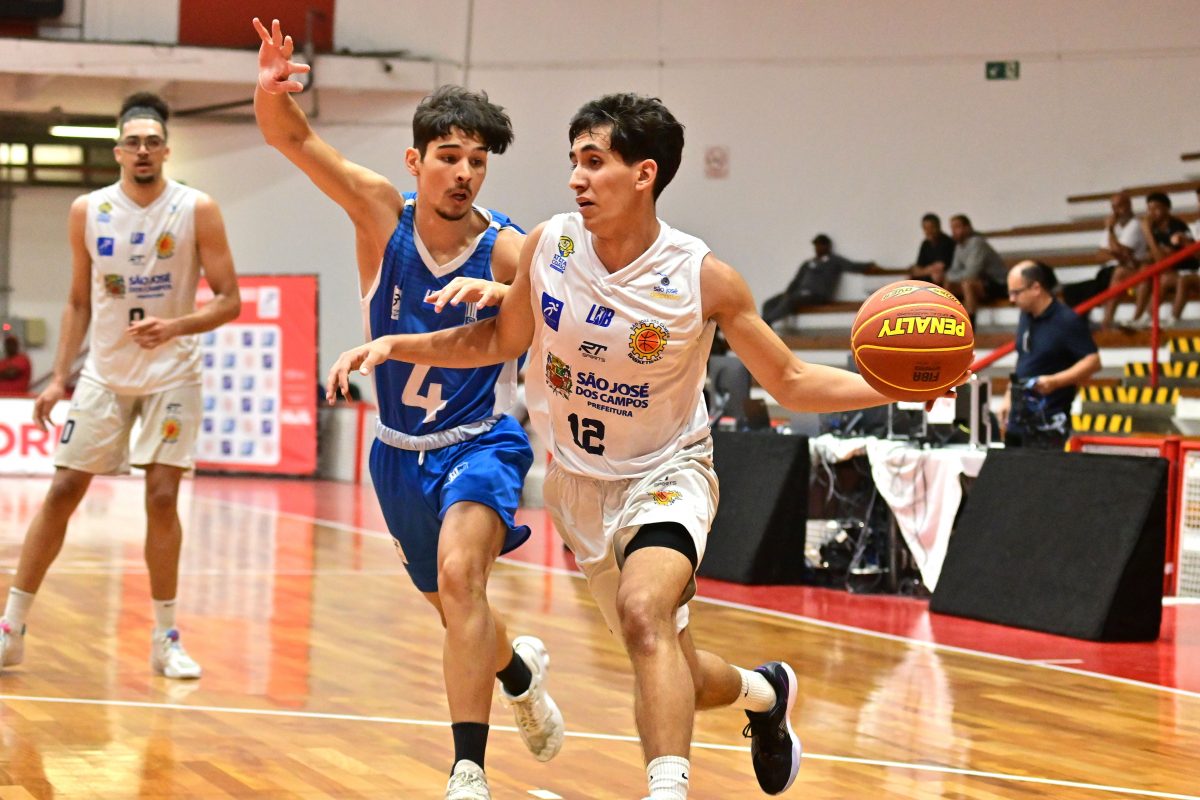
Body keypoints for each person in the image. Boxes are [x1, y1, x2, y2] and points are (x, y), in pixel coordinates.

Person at [326, 92, 903, 800]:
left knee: (643, 610)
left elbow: (790, 380)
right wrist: (396, 343)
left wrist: (889, 386)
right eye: (574, 160)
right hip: (579, 484)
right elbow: (498, 340)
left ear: (644, 174)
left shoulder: (701, 277)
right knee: (668, 661)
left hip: (668, 472)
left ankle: (666, 790)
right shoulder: (550, 245)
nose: (576, 177)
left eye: (594, 162)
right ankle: (764, 693)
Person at [251, 18, 563, 799]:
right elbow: (292, 139)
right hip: (396, 453)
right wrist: (271, 90)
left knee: (461, 578)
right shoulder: (379, 215)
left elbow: (572, 297)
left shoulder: (508, 248)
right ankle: (518, 674)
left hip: (482, 441)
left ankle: (468, 770)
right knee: (456, 607)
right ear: (415, 161)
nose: (464, 173)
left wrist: (509, 292)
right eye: (449, 156)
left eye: (477, 161)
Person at [0, 92, 242, 679]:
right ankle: (11, 628)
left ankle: (166, 638)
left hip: (173, 373)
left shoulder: (196, 208)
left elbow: (229, 300)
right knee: (63, 490)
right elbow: (77, 301)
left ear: (166, 150)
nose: (142, 151)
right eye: (132, 142)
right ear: (118, 151)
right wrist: (59, 378)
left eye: (152, 142)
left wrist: (176, 326)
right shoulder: (88, 210)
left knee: (161, 497)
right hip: (105, 374)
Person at [998, 261, 1100, 449]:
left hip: (1048, 419)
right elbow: (1023, 358)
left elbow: (1093, 361)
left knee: (1042, 466)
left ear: (1036, 288)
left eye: (1016, 292)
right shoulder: (1026, 316)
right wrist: (1008, 394)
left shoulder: (1066, 320)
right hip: (1019, 417)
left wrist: (1055, 381)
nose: (1012, 299)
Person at [760, 234, 873, 326]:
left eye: (821, 245)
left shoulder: (834, 261)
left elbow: (852, 266)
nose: (818, 248)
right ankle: (764, 327)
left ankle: (767, 322)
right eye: (816, 245)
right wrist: (788, 292)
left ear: (827, 246)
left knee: (790, 301)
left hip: (818, 295)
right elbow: (796, 280)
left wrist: (869, 265)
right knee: (769, 303)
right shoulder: (808, 263)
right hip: (800, 293)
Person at [1125, 191, 1198, 328]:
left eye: (1156, 208)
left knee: (1163, 278)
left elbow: (1162, 261)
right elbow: (1154, 255)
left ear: (1167, 208)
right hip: (1170, 271)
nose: (1152, 213)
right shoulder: (1154, 228)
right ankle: (1139, 318)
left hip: (1187, 270)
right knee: (1146, 271)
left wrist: (1147, 233)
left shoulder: (1176, 226)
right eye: (1149, 209)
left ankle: (1170, 319)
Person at [1098, 192, 1148, 330]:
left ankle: (1109, 321)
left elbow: (1123, 253)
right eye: (1113, 207)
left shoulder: (1135, 225)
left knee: (1119, 273)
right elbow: (1099, 255)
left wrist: (1110, 230)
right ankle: (1104, 323)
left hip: (1131, 269)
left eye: (1119, 206)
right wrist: (1115, 252)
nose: (1116, 211)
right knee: (1072, 291)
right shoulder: (1114, 226)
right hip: (1109, 270)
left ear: (1129, 205)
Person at [945, 214, 1008, 324]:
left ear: (967, 228)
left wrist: (955, 276)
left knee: (967, 284)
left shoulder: (977, 243)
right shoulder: (959, 247)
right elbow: (952, 272)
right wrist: (951, 277)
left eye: (957, 227)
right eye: (952, 228)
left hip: (998, 283)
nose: (954, 231)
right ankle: (948, 320)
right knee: (948, 285)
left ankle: (969, 325)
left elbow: (972, 273)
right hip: (981, 283)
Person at [908, 212, 956, 287]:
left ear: (938, 227)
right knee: (909, 278)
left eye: (931, 228)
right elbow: (918, 266)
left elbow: (940, 267)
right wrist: (925, 270)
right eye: (926, 228)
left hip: (944, 275)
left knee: (936, 277)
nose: (929, 231)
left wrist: (923, 270)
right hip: (927, 274)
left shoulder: (947, 242)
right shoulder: (925, 243)